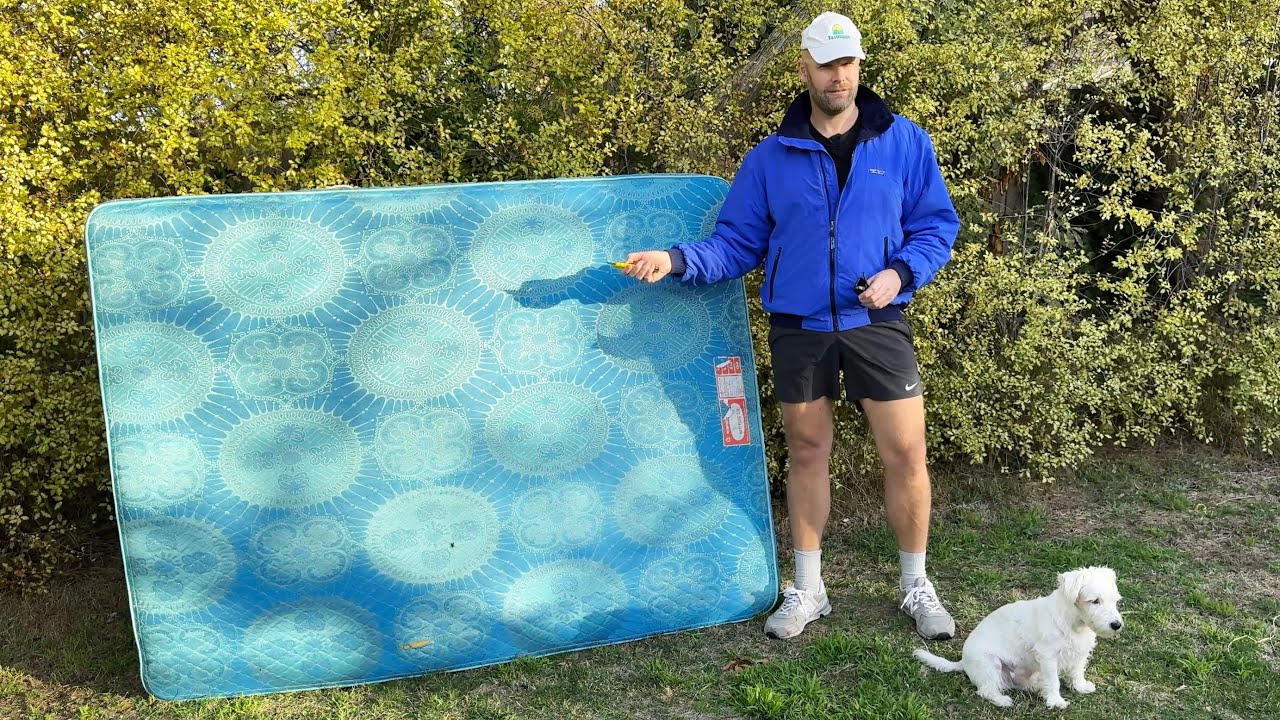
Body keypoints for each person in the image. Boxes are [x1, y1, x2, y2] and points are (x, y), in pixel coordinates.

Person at [620, 11, 961, 641]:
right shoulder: (769, 158)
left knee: (907, 452)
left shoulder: (905, 142)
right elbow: (736, 243)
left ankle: (916, 585)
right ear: (804, 67)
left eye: (848, 62)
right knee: (806, 451)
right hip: (799, 326)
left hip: (876, 319)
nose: (839, 76)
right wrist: (675, 260)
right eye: (827, 64)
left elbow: (936, 225)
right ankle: (809, 589)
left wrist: (901, 274)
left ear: (860, 65)